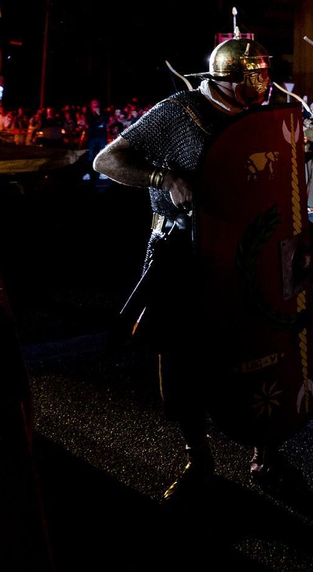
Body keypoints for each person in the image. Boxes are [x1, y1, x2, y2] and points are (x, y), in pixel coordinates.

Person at [91, 29, 282, 500]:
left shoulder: (264, 117)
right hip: (184, 252)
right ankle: (200, 458)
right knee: (181, 360)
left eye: (263, 73)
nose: (258, 83)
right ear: (226, 78)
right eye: (249, 75)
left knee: (264, 351)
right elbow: (106, 159)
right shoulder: (178, 113)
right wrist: (163, 175)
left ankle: (267, 452)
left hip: (252, 254)